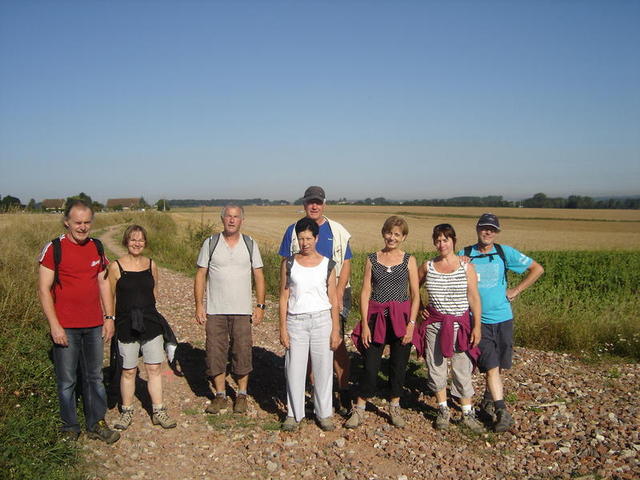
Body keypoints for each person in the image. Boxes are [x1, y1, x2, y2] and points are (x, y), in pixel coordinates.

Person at [37, 199, 120, 443]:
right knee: (67, 380)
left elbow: (104, 282)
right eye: (77, 223)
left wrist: (109, 317)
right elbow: (44, 289)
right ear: (67, 222)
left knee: (94, 376)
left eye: (87, 222)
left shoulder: (97, 246)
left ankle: (97, 423)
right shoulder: (54, 249)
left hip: (94, 324)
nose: (83, 227)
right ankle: (69, 427)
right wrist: (54, 325)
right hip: (66, 327)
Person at [460, 213, 544, 432]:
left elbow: (537, 269)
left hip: (504, 318)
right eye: (484, 228)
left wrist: (516, 290)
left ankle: (488, 399)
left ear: (496, 233)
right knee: (490, 365)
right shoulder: (465, 254)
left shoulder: (504, 252)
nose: (488, 232)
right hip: (478, 320)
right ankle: (501, 411)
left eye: (492, 229)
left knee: (499, 364)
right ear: (477, 229)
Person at [278, 186, 353, 414]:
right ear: (304, 204)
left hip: (335, 294)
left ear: (324, 204)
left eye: (318, 202)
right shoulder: (293, 231)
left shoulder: (336, 230)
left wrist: (339, 292)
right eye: (310, 202)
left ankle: (342, 391)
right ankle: (313, 392)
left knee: (336, 343)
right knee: (307, 350)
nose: (314, 206)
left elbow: (346, 262)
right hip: (304, 300)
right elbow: (285, 267)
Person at [346, 216, 419, 429]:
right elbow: (365, 292)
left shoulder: (409, 260)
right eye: (389, 232)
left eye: (397, 234)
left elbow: (415, 294)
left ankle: (394, 405)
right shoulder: (372, 258)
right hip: (376, 317)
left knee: (398, 366)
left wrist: (412, 324)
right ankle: (359, 408)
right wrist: (365, 324)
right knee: (370, 365)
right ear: (383, 233)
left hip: (401, 318)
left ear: (403, 237)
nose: (392, 237)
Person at [195, 204, 265, 414]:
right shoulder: (211, 243)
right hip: (215, 310)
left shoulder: (250, 243)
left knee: (242, 351)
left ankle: (242, 395)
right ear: (222, 219)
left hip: (242, 310)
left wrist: (260, 305)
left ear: (242, 220)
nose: (232, 220)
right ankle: (220, 395)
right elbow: (200, 274)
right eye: (228, 216)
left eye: (236, 217)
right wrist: (199, 305)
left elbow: (259, 276)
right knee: (214, 351)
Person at [108, 225, 177, 430]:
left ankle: (158, 411)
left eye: (140, 240)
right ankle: (126, 412)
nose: (137, 243)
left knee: (154, 368)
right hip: (125, 323)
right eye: (132, 240)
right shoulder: (115, 267)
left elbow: (154, 290)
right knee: (128, 370)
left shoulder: (151, 265)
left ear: (145, 243)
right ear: (125, 242)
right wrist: (110, 319)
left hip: (150, 322)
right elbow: (110, 296)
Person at [417, 224, 484, 433]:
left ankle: (467, 412)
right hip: (435, 325)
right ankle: (443, 409)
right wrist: (419, 307)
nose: (441, 244)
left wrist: (477, 327)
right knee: (435, 367)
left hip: (460, 324)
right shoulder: (428, 266)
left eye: (445, 239)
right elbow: (413, 288)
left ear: (454, 241)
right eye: (437, 240)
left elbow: (474, 297)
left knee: (461, 369)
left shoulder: (466, 267)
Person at [279, 218, 341, 431]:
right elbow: (283, 298)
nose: (304, 243)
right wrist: (282, 328)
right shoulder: (288, 263)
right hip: (296, 322)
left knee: (324, 370)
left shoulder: (328, 264)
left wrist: (336, 330)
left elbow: (334, 299)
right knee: (294, 369)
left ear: (316, 238)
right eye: (301, 238)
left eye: (308, 238)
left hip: (322, 321)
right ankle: (293, 414)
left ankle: (324, 414)